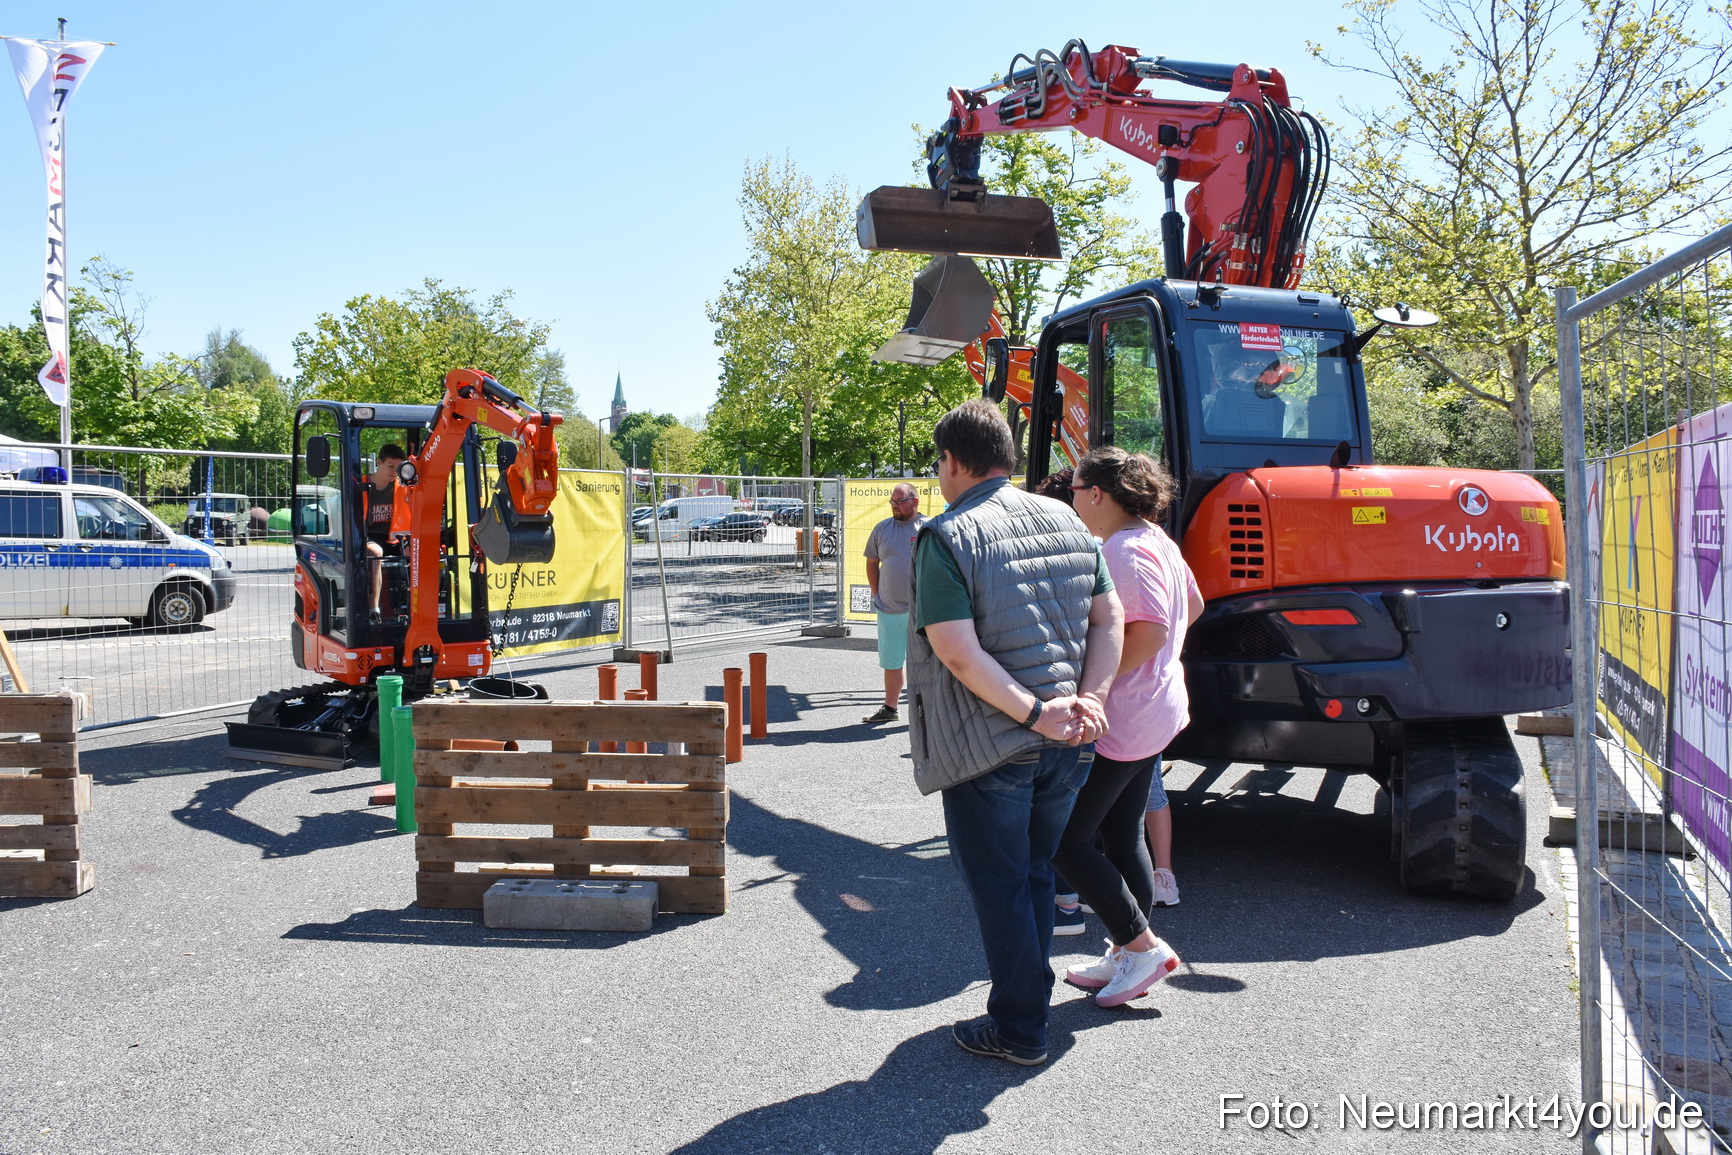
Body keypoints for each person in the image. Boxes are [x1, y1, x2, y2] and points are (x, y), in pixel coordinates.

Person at [906, 399, 1124, 1067]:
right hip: (1070, 742)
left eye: (938, 462)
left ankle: (1021, 1025)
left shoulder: (946, 536)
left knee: (1001, 883)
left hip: (992, 743)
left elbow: (959, 652)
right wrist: (1088, 697)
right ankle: (1028, 1002)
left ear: (952, 460)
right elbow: (1110, 616)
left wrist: (1034, 712)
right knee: (1031, 870)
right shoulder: (1069, 518)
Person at [1051, 446, 1202, 1008]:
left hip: (1126, 721)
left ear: (1097, 493)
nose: (1072, 499)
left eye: (1075, 489)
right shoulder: (1155, 539)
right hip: (1154, 712)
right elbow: (1195, 603)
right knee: (1121, 833)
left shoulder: (1124, 550)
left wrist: (1093, 684)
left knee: (1065, 841)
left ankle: (1141, 947)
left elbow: (1151, 632)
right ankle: (1128, 950)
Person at [861, 483, 927, 724]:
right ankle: (890, 707)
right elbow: (871, 563)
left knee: (926, 662)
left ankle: (928, 710)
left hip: (922, 610)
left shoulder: (928, 528)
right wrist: (877, 593)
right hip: (889, 608)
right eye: (893, 502)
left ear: (915, 501)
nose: (895, 506)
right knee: (891, 661)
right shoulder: (882, 529)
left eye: (900, 501)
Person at [362, 443, 408, 624]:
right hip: (367, 536)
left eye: (399, 468)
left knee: (415, 551)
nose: (394, 472)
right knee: (376, 553)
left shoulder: (402, 487)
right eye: (390, 466)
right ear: (379, 463)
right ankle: (374, 610)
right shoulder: (362, 486)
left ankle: (413, 608)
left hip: (394, 538)